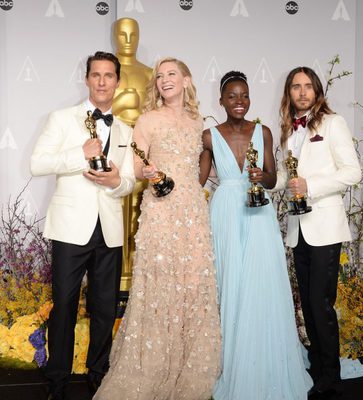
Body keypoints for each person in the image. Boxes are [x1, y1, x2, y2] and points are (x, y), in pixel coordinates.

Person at [93, 57, 221, 400]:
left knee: (193, 287)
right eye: (160, 75)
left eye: (172, 74)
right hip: (161, 212)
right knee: (161, 286)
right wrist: (148, 172)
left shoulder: (198, 122)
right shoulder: (147, 120)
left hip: (193, 212)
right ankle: (151, 367)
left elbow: (204, 167)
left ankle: (191, 369)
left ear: (187, 79)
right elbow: (134, 168)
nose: (165, 80)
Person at [199, 71, 312, 400]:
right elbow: (199, 181)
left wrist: (263, 176)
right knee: (229, 282)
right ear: (220, 100)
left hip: (257, 210)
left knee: (260, 283)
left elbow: (273, 176)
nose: (239, 102)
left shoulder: (262, 132)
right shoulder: (208, 136)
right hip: (225, 214)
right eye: (232, 96)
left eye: (245, 96)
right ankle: (231, 362)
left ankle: (263, 360)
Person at [30, 51, 135, 400]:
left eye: (109, 75)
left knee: (105, 308)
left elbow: (129, 182)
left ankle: (98, 374)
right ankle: (57, 380)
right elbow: (37, 163)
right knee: (65, 305)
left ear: (117, 81)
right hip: (70, 229)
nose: (102, 81)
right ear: (87, 78)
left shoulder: (125, 130)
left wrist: (116, 182)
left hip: (109, 231)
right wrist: (80, 153)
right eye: (96, 75)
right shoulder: (61, 118)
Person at [275, 66, 361, 399]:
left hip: (325, 227)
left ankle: (331, 375)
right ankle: (316, 364)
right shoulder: (288, 130)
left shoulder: (333, 123)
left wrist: (312, 186)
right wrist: (265, 180)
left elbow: (352, 172)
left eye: (307, 86)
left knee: (320, 302)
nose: (301, 92)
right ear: (289, 93)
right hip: (299, 230)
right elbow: (286, 176)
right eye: (295, 87)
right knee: (308, 307)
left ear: (317, 91)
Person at [111, 17, 153, 296]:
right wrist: (122, 102)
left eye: (132, 35)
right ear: (115, 36)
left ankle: (136, 271)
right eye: (123, 35)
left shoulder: (149, 72)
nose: (128, 40)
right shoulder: (109, 70)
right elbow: (99, 111)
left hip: (142, 152)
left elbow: (154, 114)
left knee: (140, 212)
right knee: (114, 213)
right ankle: (115, 272)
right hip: (113, 151)